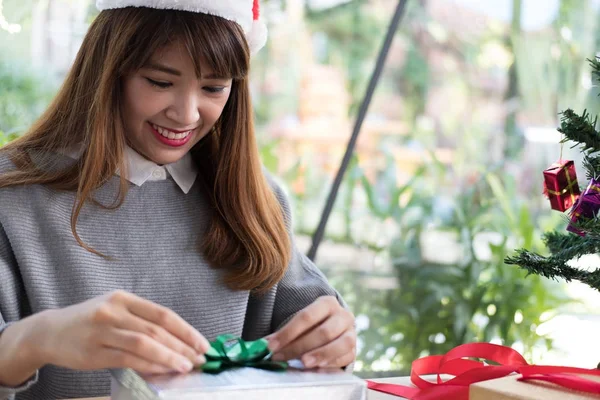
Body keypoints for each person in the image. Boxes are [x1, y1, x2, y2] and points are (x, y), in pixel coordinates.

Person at [0, 1, 356, 398]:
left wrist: (330, 339)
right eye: (160, 82)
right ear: (107, 71)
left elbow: (313, 330)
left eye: (214, 88)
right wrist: (33, 340)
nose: (187, 114)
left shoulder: (254, 200)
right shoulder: (12, 194)